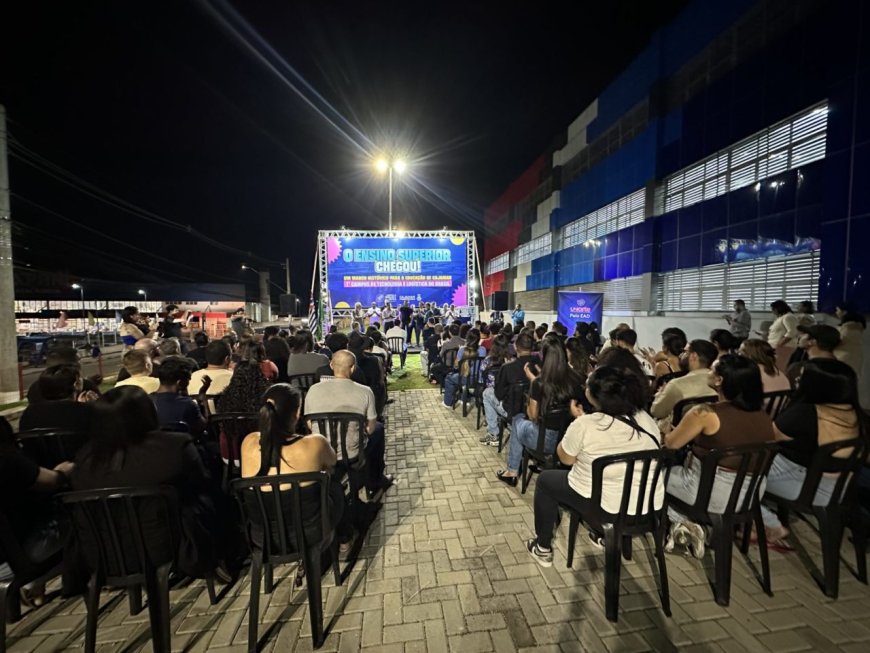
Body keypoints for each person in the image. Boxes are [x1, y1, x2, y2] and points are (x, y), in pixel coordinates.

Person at [71, 387, 232, 581]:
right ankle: (224, 553)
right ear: (147, 413)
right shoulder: (173, 445)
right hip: (168, 547)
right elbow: (202, 483)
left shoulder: (85, 459)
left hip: (104, 553)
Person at [524, 367, 663, 567]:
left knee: (546, 481)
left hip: (606, 509)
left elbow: (566, 459)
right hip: (648, 507)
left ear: (594, 395)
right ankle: (605, 537)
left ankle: (543, 547)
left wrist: (579, 421)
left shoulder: (586, 424)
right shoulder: (645, 419)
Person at [663, 355, 775, 558]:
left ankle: (686, 523)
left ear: (720, 380)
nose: (708, 372)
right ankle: (699, 528)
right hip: (749, 496)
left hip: (710, 492)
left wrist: (665, 430)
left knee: (651, 477)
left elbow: (671, 444)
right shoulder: (764, 416)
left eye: (712, 370)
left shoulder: (704, 413)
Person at [760, 362, 868, 545]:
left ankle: (769, 523)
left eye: (803, 377)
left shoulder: (805, 413)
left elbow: (766, 437)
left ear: (816, 385)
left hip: (807, 488)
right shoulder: (861, 417)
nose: (798, 380)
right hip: (842, 490)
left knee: (739, 475)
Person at [240, 384, 352, 552]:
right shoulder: (315, 443)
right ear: (297, 412)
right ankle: (344, 538)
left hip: (263, 537)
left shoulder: (248, 442)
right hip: (310, 533)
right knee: (335, 483)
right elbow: (333, 461)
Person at [0, 416, 73, 606]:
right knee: (81, 526)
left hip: (10, 556)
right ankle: (38, 582)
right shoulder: (8, 459)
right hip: (17, 560)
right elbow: (52, 481)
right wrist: (63, 472)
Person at [495, 335, 584, 486]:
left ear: (544, 356)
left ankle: (512, 471)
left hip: (545, 440)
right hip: (568, 438)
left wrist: (533, 383)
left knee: (518, 419)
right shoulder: (576, 378)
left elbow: (533, 415)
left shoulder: (540, 382)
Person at [303, 351, 393, 498]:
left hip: (321, 449)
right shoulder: (364, 391)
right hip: (352, 453)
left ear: (332, 365)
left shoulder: (313, 390)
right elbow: (370, 429)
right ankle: (376, 481)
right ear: (352, 368)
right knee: (378, 429)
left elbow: (309, 423)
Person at [650, 340, 719, 432]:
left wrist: (661, 393)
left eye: (685, 352)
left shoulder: (676, 384)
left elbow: (656, 412)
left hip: (677, 436)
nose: (681, 355)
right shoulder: (720, 384)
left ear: (694, 356)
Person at [786, 324, 858, 392]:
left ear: (812, 342)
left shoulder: (799, 368)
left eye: (804, 334)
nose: (799, 337)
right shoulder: (847, 370)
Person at [151, 356, 206, 436]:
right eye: (188, 380)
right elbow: (202, 427)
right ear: (179, 383)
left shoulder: (145, 401)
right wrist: (203, 400)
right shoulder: (188, 405)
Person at [442, 328, 486, 408]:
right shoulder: (483, 350)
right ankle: (464, 398)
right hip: (478, 379)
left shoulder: (462, 349)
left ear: (467, 338)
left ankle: (448, 402)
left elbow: (456, 366)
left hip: (465, 377)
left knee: (448, 378)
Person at [767, 300, 799, 372]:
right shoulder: (781, 317)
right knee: (775, 366)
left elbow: (792, 332)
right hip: (776, 346)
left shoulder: (788, 317)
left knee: (780, 367)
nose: (773, 311)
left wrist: (780, 343)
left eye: (773, 309)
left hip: (784, 347)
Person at [835, 310, 866, 381]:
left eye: (837, 310)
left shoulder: (847, 329)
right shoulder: (857, 329)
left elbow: (834, 341)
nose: (836, 312)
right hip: (853, 363)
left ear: (845, 312)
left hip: (842, 361)